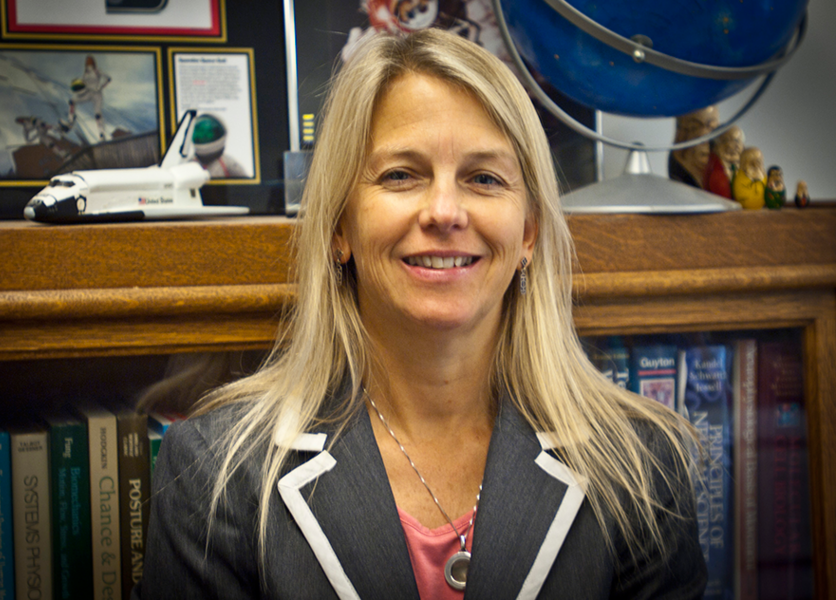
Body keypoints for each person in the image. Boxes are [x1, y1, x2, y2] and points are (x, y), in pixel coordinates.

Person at [137, 28, 706, 599]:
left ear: (528, 232)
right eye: (401, 175)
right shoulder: (215, 475)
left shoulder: (640, 468)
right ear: (340, 227)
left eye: (484, 178)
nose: (444, 212)